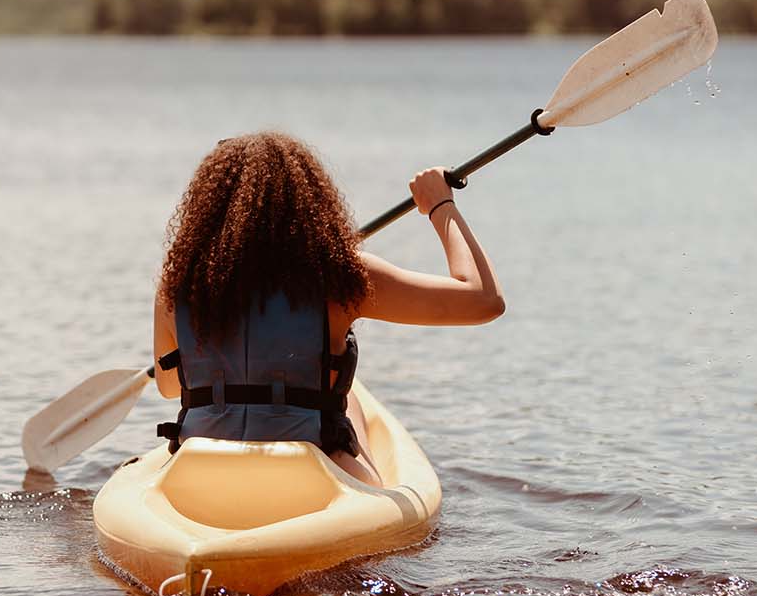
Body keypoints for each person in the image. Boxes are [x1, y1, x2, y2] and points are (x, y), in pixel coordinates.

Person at [152, 132, 504, 485]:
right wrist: (440, 206)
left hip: (201, 468)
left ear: (206, 209)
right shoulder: (341, 278)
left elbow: (169, 387)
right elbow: (483, 300)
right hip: (311, 469)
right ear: (308, 204)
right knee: (346, 394)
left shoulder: (176, 284)